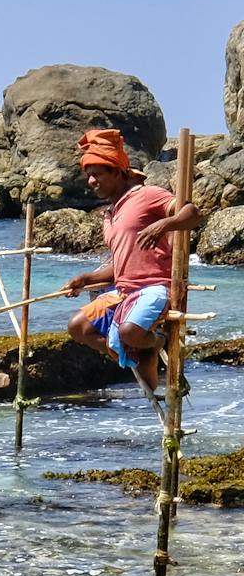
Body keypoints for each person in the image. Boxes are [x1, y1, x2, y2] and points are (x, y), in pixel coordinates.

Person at [63, 128, 200, 392]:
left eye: (97, 174)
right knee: (78, 327)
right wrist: (87, 278)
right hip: (124, 291)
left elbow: (192, 213)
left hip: (154, 288)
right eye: (88, 175)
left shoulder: (146, 196)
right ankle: (134, 357)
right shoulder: (109, 213)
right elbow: (125, 263)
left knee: (129, 332)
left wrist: (164, 225)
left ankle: (152, 346)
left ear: (116, 171)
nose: (91, 181)